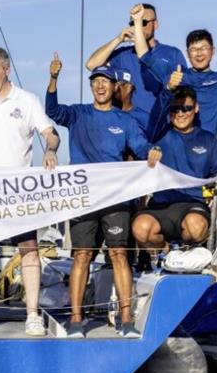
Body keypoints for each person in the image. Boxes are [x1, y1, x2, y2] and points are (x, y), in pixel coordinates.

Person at [46, 56, 162, 339]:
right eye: (95, 82)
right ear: (91, 87)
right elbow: (53, 111)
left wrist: (152, 149)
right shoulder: (78, 114)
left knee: (119, 254)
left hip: (115, 196)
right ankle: (76, 320)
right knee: (82, 255)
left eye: (105, 82)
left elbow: (141, 144)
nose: (99, 86)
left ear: (114, 87)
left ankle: (126, 318)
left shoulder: (125, 120)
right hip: (83, 197)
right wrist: (53, 79)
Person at [0, 47, 61, 336]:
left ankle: (32, 315)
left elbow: (50, 134)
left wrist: (51, 149)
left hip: (18, 191)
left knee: (28, 249)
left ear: (7, 69)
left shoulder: (27, 100)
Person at [132, 4, 217, 136]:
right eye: (193, 49)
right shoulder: (177, 76)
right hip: (174, 152)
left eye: (203, 48)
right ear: (187, 53)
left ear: (213, 51)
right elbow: (144, 55)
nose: (199, 53)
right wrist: (137, 21)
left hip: (205, 152)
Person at [132, 86, 217, 249]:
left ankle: (186, 251)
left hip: (193, 204)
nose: (180, 113)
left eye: (186, 108)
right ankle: (165, 250)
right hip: (161, 206)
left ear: (196, 108)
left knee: (196, 228)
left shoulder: (208, 139)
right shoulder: (158, 134)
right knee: (140, 229)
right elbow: (155, 114)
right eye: (175, 108)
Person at [86, 3, 186, 116]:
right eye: (133, 23)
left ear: (156, 24)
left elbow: (184, 92)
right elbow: (91, 65)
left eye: (142, 22)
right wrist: (118, 39)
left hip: (161, 126)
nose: (137, 26)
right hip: (130, 127)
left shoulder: (172, 53)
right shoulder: (123, 55)